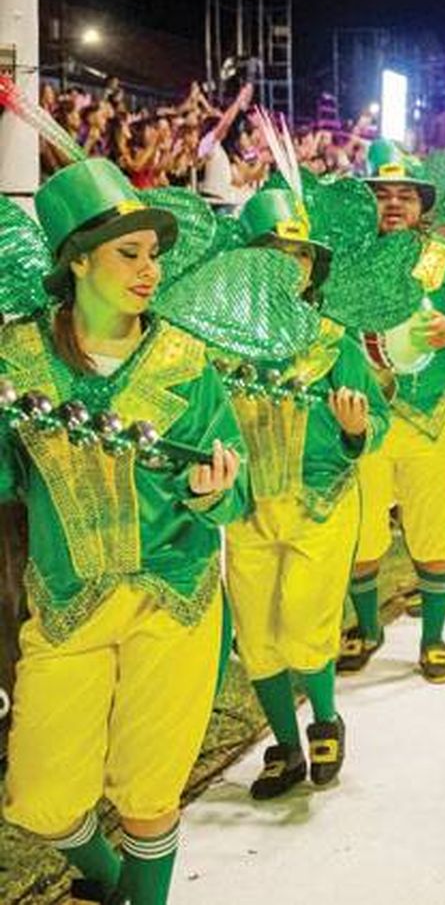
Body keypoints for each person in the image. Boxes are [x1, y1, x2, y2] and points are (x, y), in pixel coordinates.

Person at [1, 159, 246, 905]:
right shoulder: (16, 359)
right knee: (40, 796)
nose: (150, 270)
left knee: (149, 787)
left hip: (173, 596)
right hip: (68, 600)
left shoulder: (186, 360)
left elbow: (237, 493)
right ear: (77, 259)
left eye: (154, 254)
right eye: (128, 253)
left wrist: (217, 493)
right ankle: (109, 880)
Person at [222, 186, 389, 799]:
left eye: (298, 256)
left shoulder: (334, 345)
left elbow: (379, 424)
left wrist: (355, 431)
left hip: (320, 505)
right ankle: (285, 746)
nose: (287, 267)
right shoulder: (220, 345)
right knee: (258, 641)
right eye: (273, 253)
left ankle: (324, 718)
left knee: (301, 626)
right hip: (247, 510)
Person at [338, 139, 445, 684]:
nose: (392, 205)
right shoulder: (348, 263)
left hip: (432, 420)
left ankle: (433, 640)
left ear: (422, 205)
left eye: (404, 195)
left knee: (433, 536)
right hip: (365, 425)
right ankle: (367, 628)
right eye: (381, 195)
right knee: (359, 538)